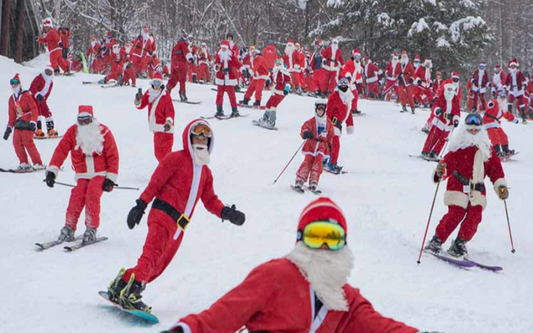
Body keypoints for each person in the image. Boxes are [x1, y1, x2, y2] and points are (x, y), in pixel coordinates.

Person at [160, 197, 433, 333]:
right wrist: (187, 330)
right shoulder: (276, 275)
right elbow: (225, 313)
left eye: (333, 238)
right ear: (301, 239)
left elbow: (380, 328)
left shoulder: (345, 297)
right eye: (317, 236)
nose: (325, 247)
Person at [106, 119, 245, 312]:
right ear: (188, 138)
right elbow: (155, 183)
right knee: (151, 257)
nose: (201, 142)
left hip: (179, 227)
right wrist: (141, 204)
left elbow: (210, 199)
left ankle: (121, 284)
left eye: (205, 139)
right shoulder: (176, 159)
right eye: (197, 137)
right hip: (163, 215)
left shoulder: (205, 172)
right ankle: (132, 293)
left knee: (158, 266)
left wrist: (227, 213)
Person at [424, 113, 508, 258]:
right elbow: (445, 165)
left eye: (476, 128)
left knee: (474, 216)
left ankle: (459, 243)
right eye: (470, 128)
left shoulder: (487, 150)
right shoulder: (458, 148)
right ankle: (436, 241)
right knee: (456, 213)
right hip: (458, 185)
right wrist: (440, 172)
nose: (474, 131)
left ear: (481, 130)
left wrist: (500, 186)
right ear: (465, 129)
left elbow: (496, 171)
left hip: (477, 189)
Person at [45, 106, 119, 244]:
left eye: (87, 120)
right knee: (77, 194)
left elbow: (113, 155)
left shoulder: (103, 131)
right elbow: (61, 150)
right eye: (81, 120)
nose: (84, 123)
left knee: (92, 193)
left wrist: (110, 178)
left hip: (100, 172)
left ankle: (91, 228)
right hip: (82, 174)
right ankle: (69, 226)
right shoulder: (73, 132)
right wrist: (52, 172)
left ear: (92, 118)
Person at [3, 74, 43, 170]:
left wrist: (34, 121)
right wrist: (9, 128)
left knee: (27, 141)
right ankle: (24, 162)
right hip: (19, 122)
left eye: (15, 83)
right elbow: (12, 115)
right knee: (16, 142)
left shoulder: (26, 95)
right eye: (12, 83)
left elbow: (34, 109)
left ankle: (38, 162)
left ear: (20, 84)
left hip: (28, 120)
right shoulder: (11, 99)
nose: (13, 85)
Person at [294, 100, 334, 192]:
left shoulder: (328, 123)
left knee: (318, 163)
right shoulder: (312, 121)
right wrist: (306, 133)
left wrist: (329, 145)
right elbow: (304, 128)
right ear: (316, 109)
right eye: (319, 109)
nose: (320, 111)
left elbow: (331, 135)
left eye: (322, 109)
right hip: (311, 145)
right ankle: (300, 179)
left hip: (321, 146)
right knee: (307, 162)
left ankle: (314, 181)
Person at [134, 73, 175, 162]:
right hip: (156, 129)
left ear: (161, 84)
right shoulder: (149, 93)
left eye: (158, 83)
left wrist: (168, 122)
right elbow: (140, 106)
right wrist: (138, 99)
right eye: (155, 83)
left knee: (165, 154)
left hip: (166, 128)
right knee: (158, 154)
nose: (156, 86)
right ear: (152, 83)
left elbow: (170, 111)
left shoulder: (165, 95)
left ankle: (169, 171)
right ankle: (169, 170)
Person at [421, 83, 460, 159]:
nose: (449, 92)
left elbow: (457, 111)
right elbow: (436, 106)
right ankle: (426, 151)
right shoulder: (441, 97)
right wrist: (437, 110)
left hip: (449, 124)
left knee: (443, 139)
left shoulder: (455, 100)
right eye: (448, 90)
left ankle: (435, 152)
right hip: (440, 121)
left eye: (450, 90)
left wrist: (456, 119)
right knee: (433, 136)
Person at [325, 77, 354, 174]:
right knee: (335, 144)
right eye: (341, 86)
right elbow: (328, 111)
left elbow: (348, 112)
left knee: (329, 144)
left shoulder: (348, 97)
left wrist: (350, 124)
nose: (343, 88)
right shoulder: (334, 96)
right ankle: (332, 164)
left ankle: (324, 159)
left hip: (339, 124)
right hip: (332, 123)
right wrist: (327, 124)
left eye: (345, 86)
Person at [256, 58, 291, 128]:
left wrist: (286, 89)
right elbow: (270, 78)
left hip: (281, 91)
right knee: (268, 104)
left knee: (273, 105)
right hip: (275, 90)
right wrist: (268, 81)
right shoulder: (275, 71)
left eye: (279, 62)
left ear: (281, 63)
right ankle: (265, 119)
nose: (277, 63)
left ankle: (272, 121)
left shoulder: (283, 71)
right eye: (276, 62)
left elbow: (288, 81)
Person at [483, 92, 519, 158]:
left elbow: (507, 114)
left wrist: (514, 119)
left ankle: (506, 150)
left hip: (496, 124)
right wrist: (491, 103)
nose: (502, 99)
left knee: (503, 136)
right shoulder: (494, 102)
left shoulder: (503, 108)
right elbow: (489, 105)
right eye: (501, 97)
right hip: (488, 123)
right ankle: (497, 152)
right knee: (495, 137)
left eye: (503, 98)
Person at [214, 40, 242, 118]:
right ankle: (219, 110)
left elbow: (237, 63)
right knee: (219, 95)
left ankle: (235, 110)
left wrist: (242, 68)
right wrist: (216, 67)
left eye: (224, 48)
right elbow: (216, 63)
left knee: (231, 95)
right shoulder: (218, 55)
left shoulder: (231, 56)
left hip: (230, 78)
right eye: (222, 48)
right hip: (221, 77)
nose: (223, 49)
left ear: (227, 48)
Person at [29, 65, 59, 138]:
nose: (48, 73)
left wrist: (44, 99)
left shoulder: (50, 82)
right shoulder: (39, 78)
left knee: (47, 112)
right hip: (34, 97)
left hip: (42, 99)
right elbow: (32, 87)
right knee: (37, 112)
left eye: (50, 72)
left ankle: (50, 129)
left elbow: (47, 92)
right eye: (46, 71)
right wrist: (37, 94)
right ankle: (37, 130)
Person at [167, 35, 194, 102]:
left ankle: (167, 90)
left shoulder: (175, 47)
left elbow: (172, 56)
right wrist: (190, 57)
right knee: (182, 80)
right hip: (181, 64)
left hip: (173, 64)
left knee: (173, 79)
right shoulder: (183, 44)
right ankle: (182, 94)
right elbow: (186, 51)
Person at [340, 48, 363, 114]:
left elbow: (357, 74)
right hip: (345, 81)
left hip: (352, 83)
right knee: (346, 96)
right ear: (353, 56)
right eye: (356, 56)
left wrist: (359, 81)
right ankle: (345, 109)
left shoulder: (358, 64)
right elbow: (345, 70)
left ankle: (353, 109)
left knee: (355, 95)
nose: (357, 58)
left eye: (359, 57)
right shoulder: (350, 62)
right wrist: (348, 75)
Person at [505, 58, 528, 123]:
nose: (512, 68)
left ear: (516, 66)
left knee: (521, 103)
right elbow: (506, 82)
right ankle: (510, 117)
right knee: (510, 102)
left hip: (519, 90)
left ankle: (524, 117)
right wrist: (505, 87)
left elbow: (524, 79)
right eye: (511, 66)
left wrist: (525, 84)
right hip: (512, 90)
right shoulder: (509, 74)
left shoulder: (519, 73)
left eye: (514, 66)